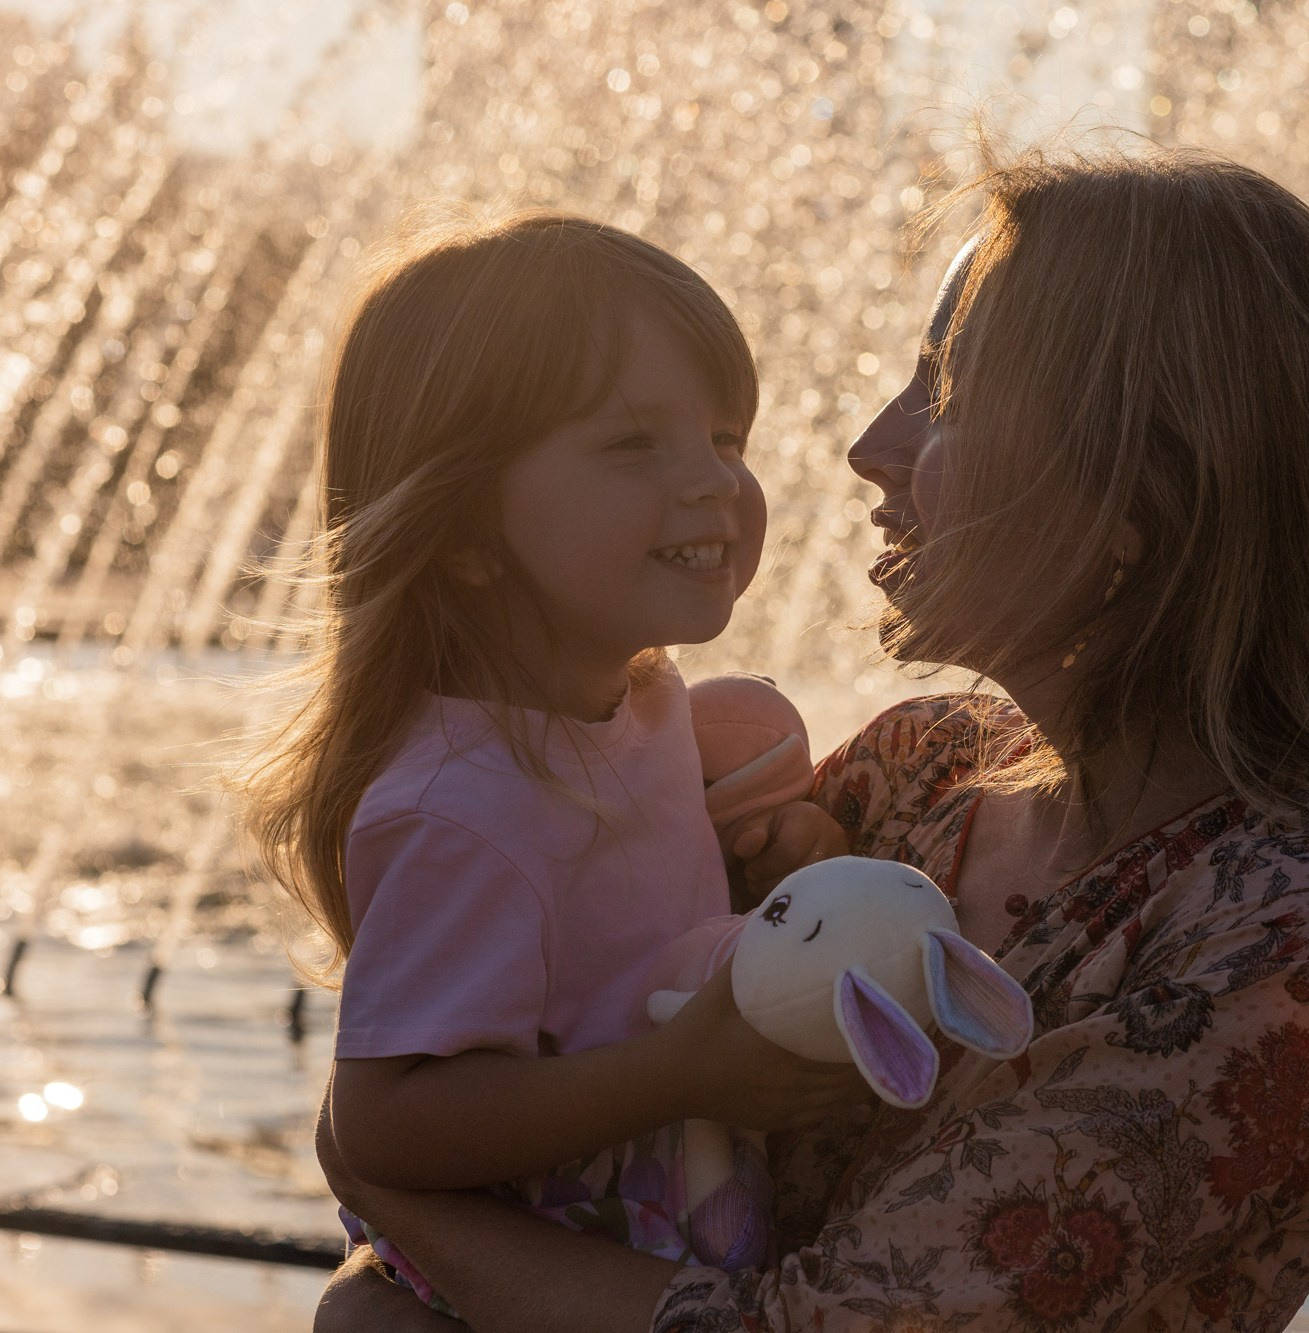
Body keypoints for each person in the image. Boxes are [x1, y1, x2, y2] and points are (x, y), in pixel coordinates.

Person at [314, 146, 1309, 1332]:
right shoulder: (917, 770)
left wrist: (399, 1212)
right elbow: (520, 1050)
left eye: (945, 394)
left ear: (1139, 490)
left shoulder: (1306, 929)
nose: (868, 444)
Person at [240, 211, 861, 1316]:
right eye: (633, 444)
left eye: (727, 438)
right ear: (464, 530)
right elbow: (386, 1124)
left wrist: (766, 883)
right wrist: (678, 1074)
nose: (714, 481)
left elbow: (607, 951)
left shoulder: (638, 709)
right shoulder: (461, 805)